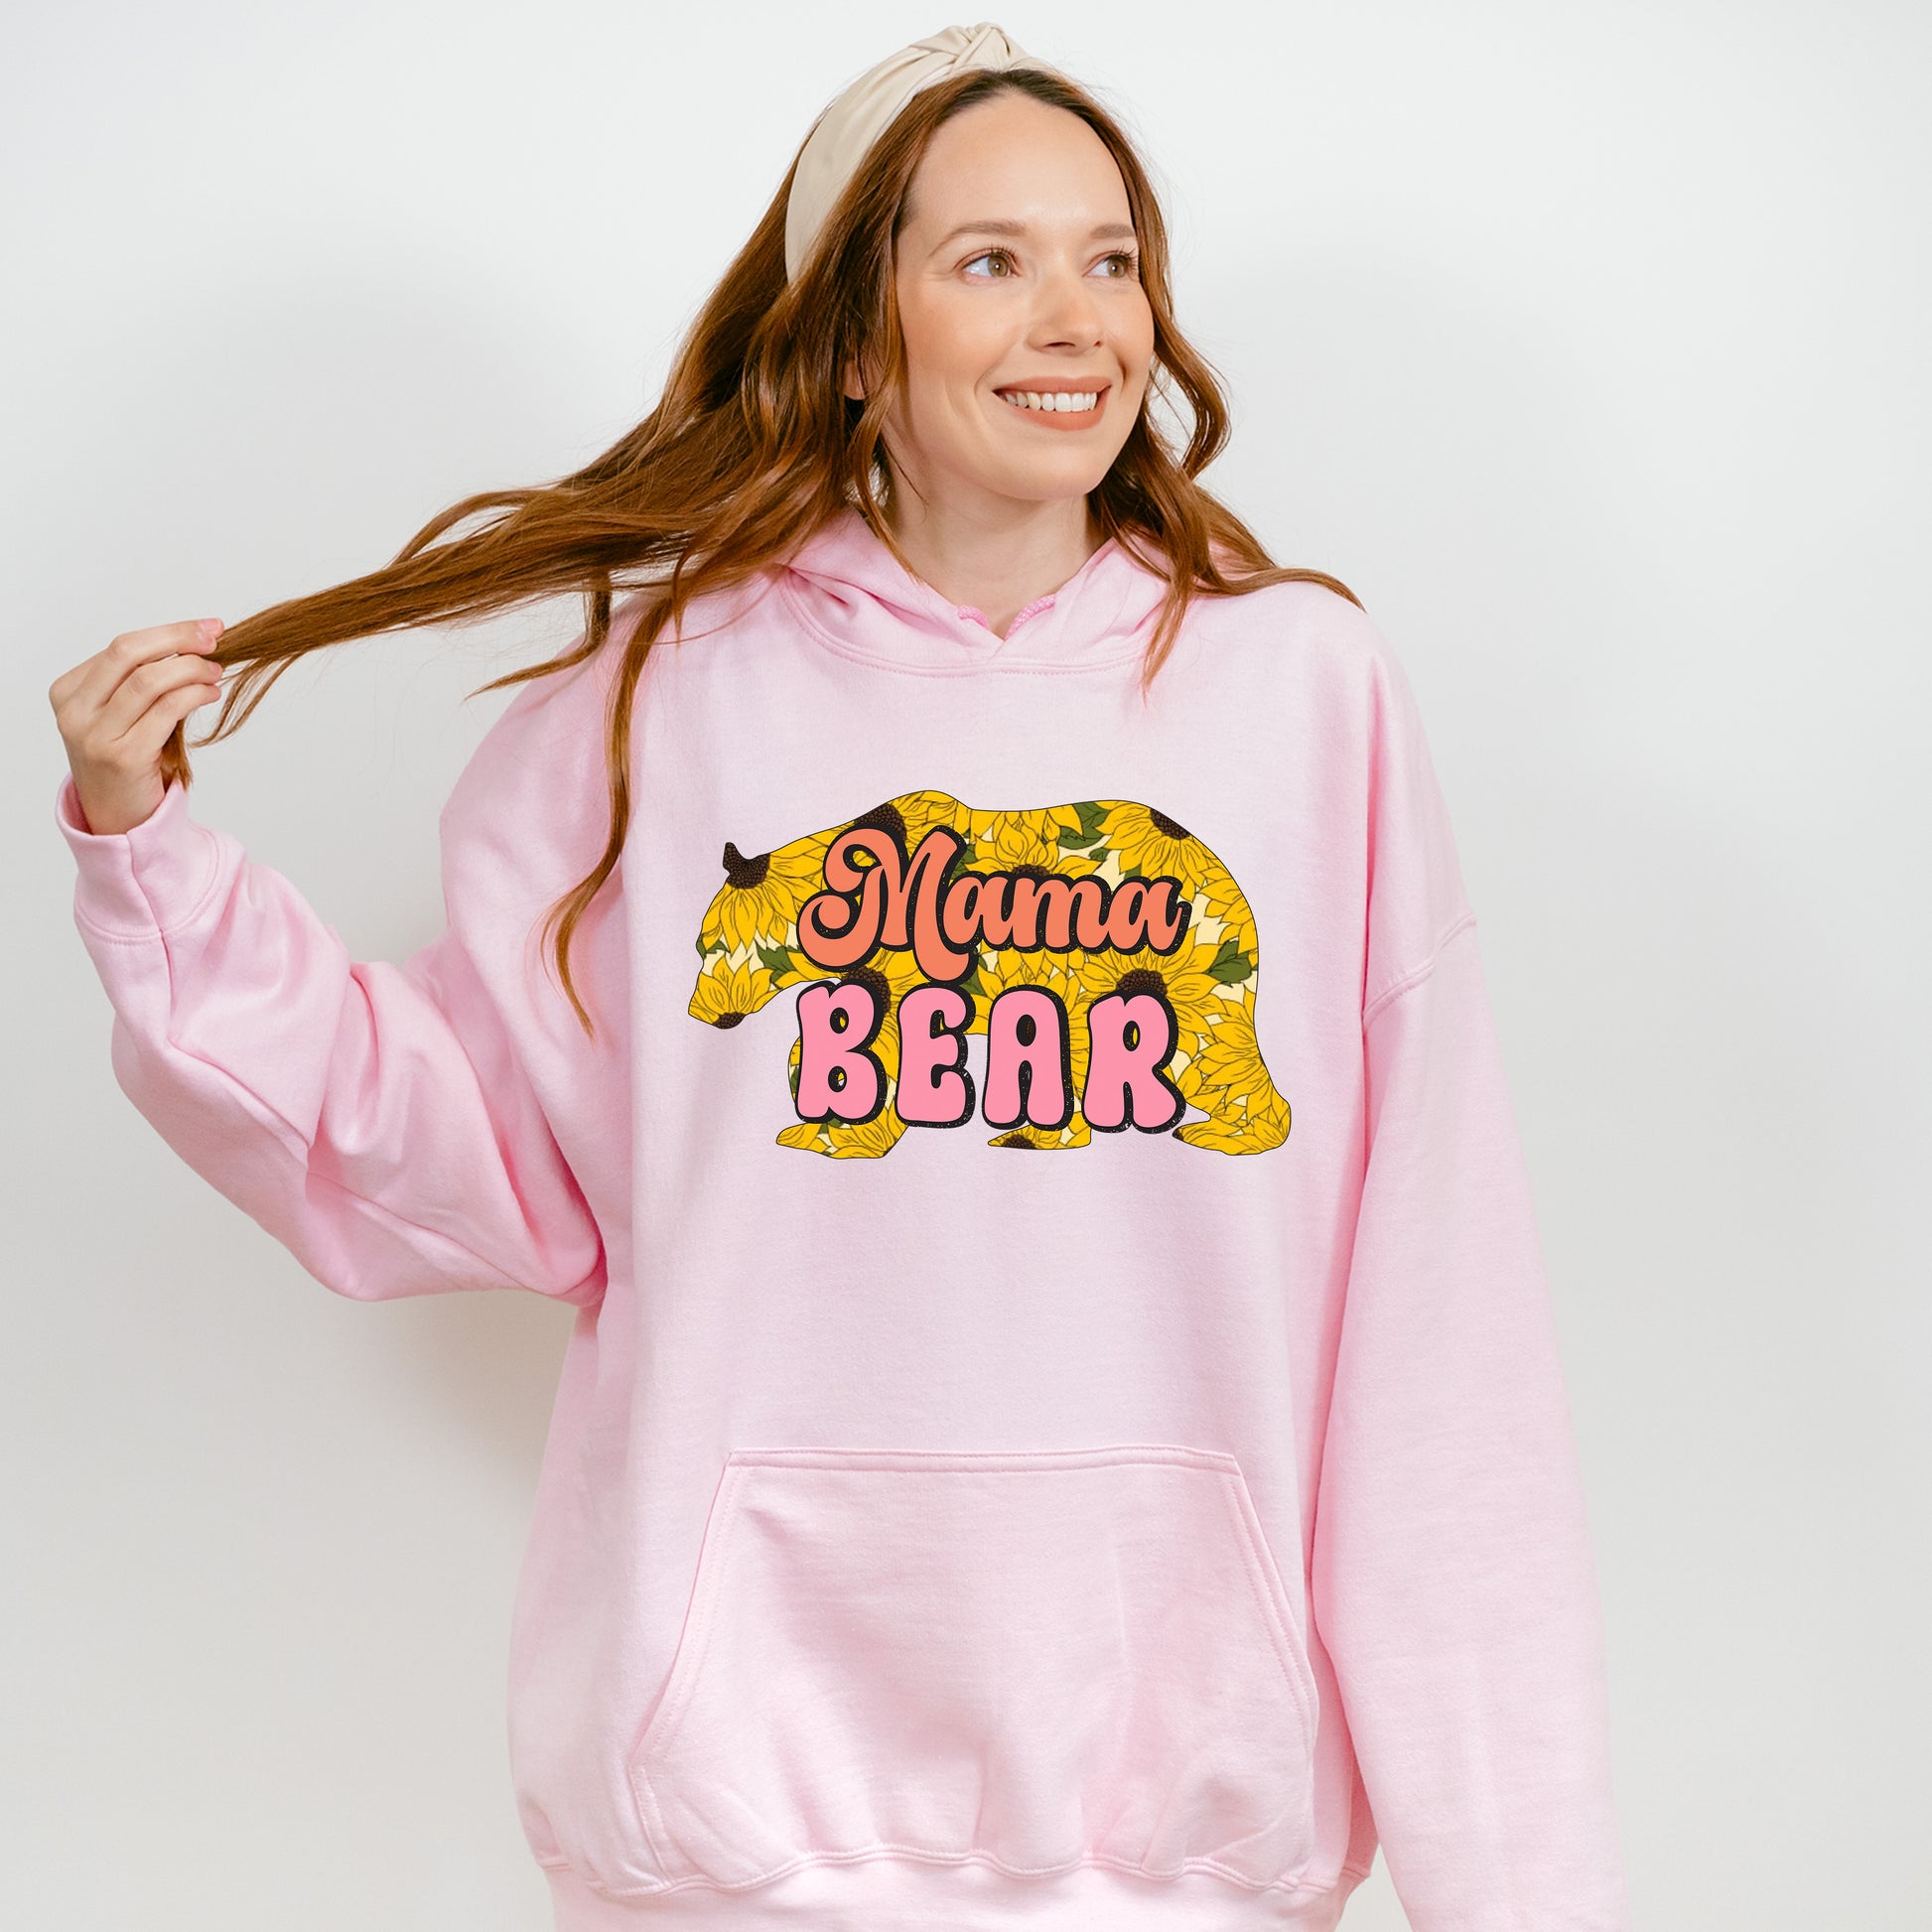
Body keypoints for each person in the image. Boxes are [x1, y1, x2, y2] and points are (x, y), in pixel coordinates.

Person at [47, 22, 1633, 1931]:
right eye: (991, 259)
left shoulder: (1304, 699)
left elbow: (1441, 1333)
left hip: (1189, 1846)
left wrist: (1520, 1894)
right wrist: (148, 852)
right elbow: (445, 1141)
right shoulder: (664, 702)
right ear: (858, 335)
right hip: (744, 1837)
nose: (1075, 319)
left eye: (1111, 259)